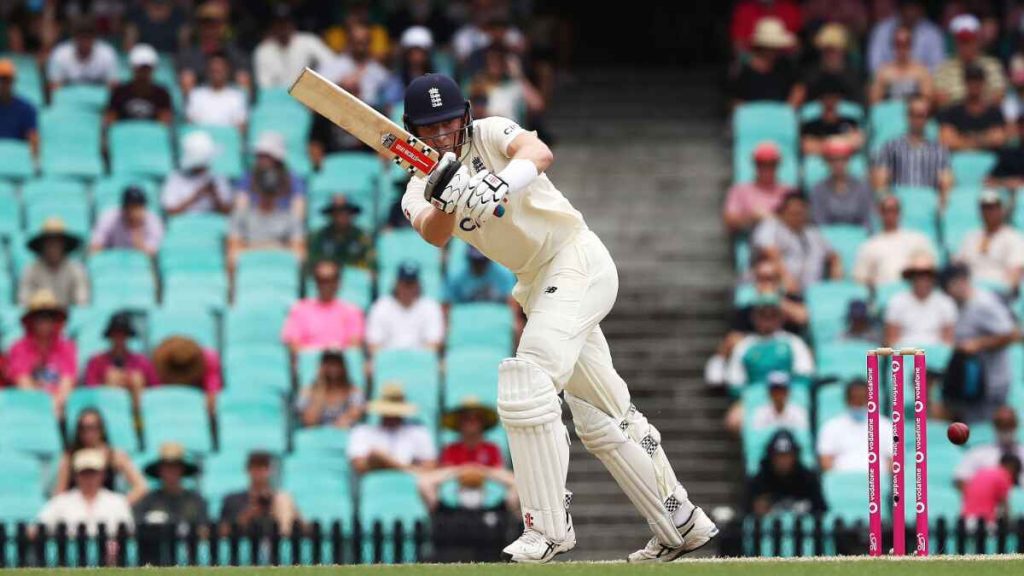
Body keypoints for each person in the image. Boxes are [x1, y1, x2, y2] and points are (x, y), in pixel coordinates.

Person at [400, 73, 718, 563]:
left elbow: (539, 152)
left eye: (449, 124)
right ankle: (681, 521)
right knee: (603, 418)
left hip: (576, 260)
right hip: (537, 287)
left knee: (527, 380)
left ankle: (547, 526)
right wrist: (447, 197)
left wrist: (497, 182)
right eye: (431, 128)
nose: (443, 136)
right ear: (413, 130)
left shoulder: (490, 132)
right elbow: (432, 233)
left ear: (464, 116)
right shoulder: (418, 186)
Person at [943, 264, 1019, 423]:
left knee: (985, 431)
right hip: (975, 381)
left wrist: (978, 343)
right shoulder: (961, 305)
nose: (948, 292)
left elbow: (1012, 333)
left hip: (992, 382)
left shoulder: (983, 303)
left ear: (961, 282)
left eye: (949, 286)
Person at [417, 397, 517, 511]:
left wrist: (479, 470)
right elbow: (445, 475)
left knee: (519, 485)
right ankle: (437, 518)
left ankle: (512, 521)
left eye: (476, 419)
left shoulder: (492, 448)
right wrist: (463, 470)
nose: (471, 423)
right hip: (455, 496)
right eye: (467, 419)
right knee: (424, 482)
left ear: (482, 423)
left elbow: (499, 473)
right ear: (460, 423)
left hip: (487, 494)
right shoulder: (451, 449)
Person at [228, 132, 306, 265]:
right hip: (253, 230)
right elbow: (240, 211)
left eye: (265, 155)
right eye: (259, 155)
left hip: (283, 232)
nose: (261, 159)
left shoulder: (293, 179)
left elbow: (298, 215)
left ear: (277, 157)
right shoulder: (248, 177)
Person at [751, 193, 842, 293]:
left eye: (801, 213)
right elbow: (769, 251)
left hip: (813, 291)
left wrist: (835, 284)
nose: (798, 217)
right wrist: (786, 277)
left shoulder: (813, 233)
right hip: (780, 289)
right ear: (783, 212)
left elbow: (833, 256)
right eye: (793, 213)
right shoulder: (771, 226)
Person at [53, 409, 148, 503]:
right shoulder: (69, 457)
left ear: (101, 429)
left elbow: (141, 486)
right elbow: (60, 493)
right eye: (83, 428)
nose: (88, 433)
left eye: (93, 427)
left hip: (106, 511)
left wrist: (119, 506)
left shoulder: (114, 455)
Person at [4, 290, 76, 414]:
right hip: (28, 407)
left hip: (59, 408)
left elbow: (67, 383)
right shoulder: (18, 348)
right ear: (31, 321)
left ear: (55, 321)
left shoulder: (67, 347)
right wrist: (45, 407)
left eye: (49, 317)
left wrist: (55, 405)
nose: (44, 322)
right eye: (39, 317)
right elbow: (23, 384)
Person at [726, 293, 815, 392]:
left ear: (781, 317)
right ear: (753, 317)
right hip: (754, 398)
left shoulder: (794, 343)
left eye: (773, 315)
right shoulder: (743, 346)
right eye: (763, 315)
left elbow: (804, 375)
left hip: (789, 396)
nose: (767, 319)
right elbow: (735, 382)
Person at [871, 96, 953, 202]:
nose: (917, 120)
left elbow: (946, 184)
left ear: (927, 118)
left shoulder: (939, 151)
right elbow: (880, 184)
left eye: (921, 116)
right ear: (908, 116)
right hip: (898, 206)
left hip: (928, 204)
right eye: (913, 115)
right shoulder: (890, 147)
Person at [37, 449, 134, 536]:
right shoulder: (60, 502)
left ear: (103, 474)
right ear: (75, 475)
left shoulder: (118, 502)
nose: (89, 478)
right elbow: (39, 527)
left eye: (93, 473)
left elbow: (129, 532)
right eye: (84, 473)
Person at [347, 384, 437, 474]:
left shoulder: (418, 431)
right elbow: (359, 465)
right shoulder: (362, 432)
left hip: (410, 482)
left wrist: (385, 461)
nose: (392, 416)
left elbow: (430, 465)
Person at [852, 195, 936, 288]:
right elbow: (859, 278)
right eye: (886, 210)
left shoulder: (917, 239)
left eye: (895, 210)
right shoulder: (869, 245)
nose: (891, 214)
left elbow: (930, 266)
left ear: (900, 213)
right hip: (882, 292)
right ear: (879, 213)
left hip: (913, 291)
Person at [281, 260, 365, 352]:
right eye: (320, 280)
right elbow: (293, 344)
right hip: (308, 364)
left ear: (338, 283)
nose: (325, 285)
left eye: (331, 280)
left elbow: (354, 346)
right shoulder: (300, 310)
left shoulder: (352, 312)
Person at [366, 262, 444, 354]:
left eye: (412, 283)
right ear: (397, 283)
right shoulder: (381, 306)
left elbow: (434, 343)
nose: (408, 288)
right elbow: (374, 344)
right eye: (405, 283)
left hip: (421, 364)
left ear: (418, 284)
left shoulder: (430, 306)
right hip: (388, 363)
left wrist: (411, 360)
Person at [817, 380, 893, 472]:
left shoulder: (886, 426)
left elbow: (893, 460)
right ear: (847, 400)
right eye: (855, 398)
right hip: (842, 481)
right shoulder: (831, 426)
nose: (859, 402)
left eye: (862, 398)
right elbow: (825, 460)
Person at [745, 430, 825, 516]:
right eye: (778, 456)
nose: (783, 461)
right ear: (770, 456)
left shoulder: (808, 479)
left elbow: (821, 511)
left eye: (787, 455)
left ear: (795, 456)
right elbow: (745, 513)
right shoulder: (759, 481)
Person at [933, 15, 1006, 108]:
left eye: (971, 40)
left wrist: (960, 99)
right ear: (956, 42)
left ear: (978, 40)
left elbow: (998, 97)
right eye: (962, 41)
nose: (967, 46)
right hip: (954, 118)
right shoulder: (944, 68)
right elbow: (940, 100)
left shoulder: (992, 65)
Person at [884, 253, 957, 347]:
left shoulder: (946, 302)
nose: (922, 280)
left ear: (933, 278)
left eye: (927, 276)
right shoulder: (897, 301)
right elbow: (891, 339)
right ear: (911, 278)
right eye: (918, 276)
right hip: (905, 354)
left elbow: (948, 340)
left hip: (935, 356)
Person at [723, 142, 795, 236]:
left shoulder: (789, 191)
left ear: (778, 165)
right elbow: (729, 221)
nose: (766, 168)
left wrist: (772, 218)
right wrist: (752, 218)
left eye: (771, 164)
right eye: (761, 164)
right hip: (753, 241)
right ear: (755, 165)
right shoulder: (740, 190)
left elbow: (799, 221)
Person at [253, 5, 333, 89]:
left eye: (286, 22)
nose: (283, 27)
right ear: (272, 26)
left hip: (307, 93)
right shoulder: (263, 50)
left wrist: (315, 83)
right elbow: (264, 85)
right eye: (279, 23)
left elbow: (331, 63)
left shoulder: (308, 41)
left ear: (292, 23)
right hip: (278, 98)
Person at [177, 2, 250, 95]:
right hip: (200, 99)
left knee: (243, 78)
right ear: (198, 26)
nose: (209, 28)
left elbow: (242, 71)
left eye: (214, 24)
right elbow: (184, 73)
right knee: (187, 78)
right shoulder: (188, 53)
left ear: (223, 26)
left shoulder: (234, 52)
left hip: (228, 97)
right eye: (205, 23)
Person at [219, 452, 299, 536]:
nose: (260, 473)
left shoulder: (280, 499)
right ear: (248, 470)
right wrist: (249, 515)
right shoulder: (233, 500)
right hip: (244, 544)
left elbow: (301, 526)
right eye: (256, 468)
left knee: (283, 499)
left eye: (264, 468)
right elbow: (220, 531)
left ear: (270, 470)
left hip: (276, 542)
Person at [957, 191, 1024, 289]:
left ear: (1001, 210)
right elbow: (959, 264)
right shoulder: (970, 236)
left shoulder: (1013, 237)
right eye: (985, 208)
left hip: (998, 288)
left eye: (993, 208)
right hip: (969, 287)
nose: (989, 212)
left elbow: (1015, 272)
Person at [83, 312, 158, 400]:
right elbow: (90, 391)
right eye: (116, 334)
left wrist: (132, 382)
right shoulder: (96, 362)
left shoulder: (142, 362)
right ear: (110, 335)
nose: (119, 338)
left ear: (128, 336)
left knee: (137, 379)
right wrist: (106, 383)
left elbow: (156, 390)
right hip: (105, 407)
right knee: (111, 377)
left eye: (123, 334)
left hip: (138, 407)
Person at [729, 18, 801, 108]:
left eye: (775, 46)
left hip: (780, 116)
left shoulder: (786, 65)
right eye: (768, 46)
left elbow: (798, 89)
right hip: (753, 116)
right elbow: (737, 101)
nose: (772, 51)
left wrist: (787, 112)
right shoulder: (747, 69)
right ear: (760, 46)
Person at [468, 43, 545, 126]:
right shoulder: (478, 84)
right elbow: (473, 111)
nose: (494, 64)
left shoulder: (515, 84)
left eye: (499, 59)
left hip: (514, 133)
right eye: (491, 60)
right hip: (490, 132)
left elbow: (537, 105)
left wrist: (519, 75)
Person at [18, 218, 88, 307]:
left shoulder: (76, 269)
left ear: (64, 245)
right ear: (42, 246)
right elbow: (23, 301)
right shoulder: (30, 270)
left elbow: (82, 302)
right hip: (38, 316)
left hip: (68, 318)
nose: (53, 248)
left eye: (57, 243)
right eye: (49, 243)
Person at [134, 442, 207, 526]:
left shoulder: (196, 501)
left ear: (182, 470)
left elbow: (204, 529)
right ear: (160, 470)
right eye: (167, 467)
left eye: (175, 467)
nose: (171, 472)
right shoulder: (148, 501)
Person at [938, 65, 1008, 153]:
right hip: (959, 161)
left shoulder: (994, 112)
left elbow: (998, 139)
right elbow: (947, 140)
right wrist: (984, 139)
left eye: (978, 81)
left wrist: (962, 140)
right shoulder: (952, 111)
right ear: (965, 83)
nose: (974, 84)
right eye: (971, 81)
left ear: (983, 83)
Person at [319, 23, 390, 109]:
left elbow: (386, 102)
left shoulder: (380, 72)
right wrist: (340, 85)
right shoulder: (331, 66)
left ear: (370, 43)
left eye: (365, 42)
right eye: (357, 42)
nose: (360, 47)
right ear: (349, 41)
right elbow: (318, 93)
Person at [161, 131, 233, 216]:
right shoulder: (175, 178)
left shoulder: (217, 177)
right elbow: (170, 211)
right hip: (184, 224)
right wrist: (197, 195)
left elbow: (227, 212)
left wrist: (214, 195)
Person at [809, 138, 873, 229]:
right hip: (826, 239)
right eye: (833, 160)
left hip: (858, 238)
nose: (838, 164)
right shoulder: (817, 190)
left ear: (848, 160)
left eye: (843, 159)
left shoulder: (862, 187)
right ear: (827, 162)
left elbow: (867, 220)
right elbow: (818, 222)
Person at [867, 0, 945, 73]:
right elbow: (874, 65)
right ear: (899, 10)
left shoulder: (933, 33)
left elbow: (939, 66)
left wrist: (912, 74)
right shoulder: (881, 30)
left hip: (922, 82)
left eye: (914, 9)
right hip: (888, 82)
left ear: (921, 11)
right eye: (907, 8)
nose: (910, 13)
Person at [955, 406, 1024, 487]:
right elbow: (961, 479)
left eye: (1009, 424)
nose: (1005, 428)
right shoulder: (977, 453)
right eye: (1000, 424)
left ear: (1016, 425)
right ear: (994, 426)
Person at [151, 336, 222, 415]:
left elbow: (213, 392)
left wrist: (211, 393)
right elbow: (158, 395)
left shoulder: (210, 359)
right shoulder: (159, 364)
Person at [104, 44, 172, 126]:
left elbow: (165, 125)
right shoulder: (119, 92)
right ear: (133, 68)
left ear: (153, 69)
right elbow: (109, 122)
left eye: (147, 69)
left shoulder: (162, 94)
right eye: (140, 69)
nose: (143, 73)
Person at [296, 349, 365, 428]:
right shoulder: (307, 391)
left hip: (344, 433)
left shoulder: (354, 391)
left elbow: (355, 414)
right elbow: (309, 421)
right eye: (329, 364)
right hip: (316, 434)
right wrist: (320, 388)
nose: (333, 368)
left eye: (337, 364)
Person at [46, 17, 119, 90]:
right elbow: (54, 87)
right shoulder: (60, 54)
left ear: (94, 38)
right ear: (74, 38)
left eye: (88, 37)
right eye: (81, 37)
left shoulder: (107, 54)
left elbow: (113, 86)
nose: (84, 42)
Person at [306, 194, 375, 271]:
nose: (341, 216)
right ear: (331, 214)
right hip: (328, 279)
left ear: (351, 214)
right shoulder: (319, 236)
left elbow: (371, 264)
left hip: (355, 277)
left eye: (345, 212)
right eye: (337, 212)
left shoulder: (362, 236)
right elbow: (312, 262)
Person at [800, 75, 864, 156]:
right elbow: (807, 147)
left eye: (833, 98)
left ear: (839, 99)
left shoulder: (850, 122)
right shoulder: (811, 125)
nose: (830, 102)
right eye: (826, 98)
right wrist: (841, 142)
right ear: (820, 101)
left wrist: (822, 143)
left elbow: (857, 142)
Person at [90, 187, 164, 256]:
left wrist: (137, 234)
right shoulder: (110, 217)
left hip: (139, 265)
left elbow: (153, 255)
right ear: (123, 207)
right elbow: (95, 247)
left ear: (144, 207)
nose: (133, 212)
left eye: (137, 207)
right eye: (130, 207)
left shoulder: (153, 221)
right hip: (113, 262)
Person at [869, 24, 933, 103]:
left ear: (911, 45)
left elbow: (927, 100)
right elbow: (875, 101)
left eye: (906, 43)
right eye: (898, 44)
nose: (902, 48)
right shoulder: (883, 72)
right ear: (893, 45)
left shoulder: (921, 71)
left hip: (913, 113)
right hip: (890, 112)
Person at [184, 52, 248, 131]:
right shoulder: (196, 94)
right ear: (208, 71)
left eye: (220, 70)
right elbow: (190, 124)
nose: (216, 73)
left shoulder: (237, 96)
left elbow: (241, 127)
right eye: (213, 70)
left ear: (227, 70)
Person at [801, 24, 860, 104]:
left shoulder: (853, 77)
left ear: (843, 51)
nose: (829, 55)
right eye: (826, 50)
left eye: (834, 50)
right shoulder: (810, 77)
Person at [961, 454, 1022, 523]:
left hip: (965, 519)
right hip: (985, 522)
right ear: (1011, 466)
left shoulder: (982, 472)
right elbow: (1004, 505)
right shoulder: (1004, 476)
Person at [447, 246, 516, 305]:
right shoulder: (457, 277)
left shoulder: (504, 276)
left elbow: (512, 305)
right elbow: (448, 304)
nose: (479, 266)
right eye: (475, 262)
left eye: (482, 262)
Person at [730, 0, 801, 55]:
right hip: (752, 58)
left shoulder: (789, 10)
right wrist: (751, 60)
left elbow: (795, 45)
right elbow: (737, 45)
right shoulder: (745, 10)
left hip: (782, 59)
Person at [0, 58, 38, 156]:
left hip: (17, 159)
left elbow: (32, 138)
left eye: (6, 80)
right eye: (1, 80)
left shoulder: (27, 109)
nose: (3, 84)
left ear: (13, 81)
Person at [123, 0, 189, 54]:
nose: (158, 7)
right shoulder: (136, 15)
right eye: (155, 5)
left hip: (172, 59)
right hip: (143, 59)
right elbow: (129, 46)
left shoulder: (179, 16)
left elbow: (184, 47)